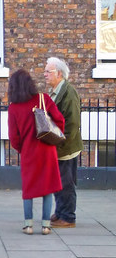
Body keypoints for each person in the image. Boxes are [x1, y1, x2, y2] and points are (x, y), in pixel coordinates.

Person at [7, 68, 65, 235]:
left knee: (28, 189)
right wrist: (53, 138)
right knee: (48, 188)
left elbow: (14, 137)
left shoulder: (13, 108)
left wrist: (23, 149)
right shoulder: (43, 99)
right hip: (47, 151)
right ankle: (46, 226)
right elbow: (60, 120)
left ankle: (28, 225)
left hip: (28, 152)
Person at [44, 56, 83, 228]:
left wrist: (58, 144)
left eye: (48, 71)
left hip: (65, 148)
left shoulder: (68, 92)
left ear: (58, 73)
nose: (45, 74)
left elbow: (72, 124)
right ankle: (60, 212)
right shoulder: (55, 91)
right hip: (57, 145)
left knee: (66, 183)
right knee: (57, 182)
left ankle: (68, 217)